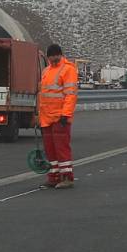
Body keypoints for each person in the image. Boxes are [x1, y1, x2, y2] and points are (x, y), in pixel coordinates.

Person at [38, 44, 78, 190]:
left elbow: (70, 95)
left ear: (60, 55)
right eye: (51, 56)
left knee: (61, 148)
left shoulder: (68, 69)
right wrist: (39, 117)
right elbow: (43, 96)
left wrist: (65, 114)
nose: (54, 58)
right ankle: (53, 177)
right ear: (48, 57)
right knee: (50, 149)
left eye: (56, 55)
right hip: (47, 118)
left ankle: (67, 177)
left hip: (60, 117)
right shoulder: (46, 71)